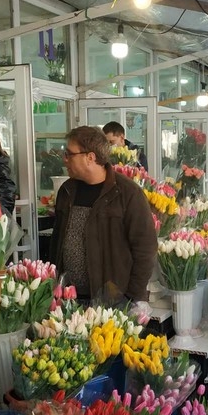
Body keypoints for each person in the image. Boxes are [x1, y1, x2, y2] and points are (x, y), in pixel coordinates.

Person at [49, 126, 157, 303]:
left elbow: (145, 249)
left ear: (90, 157)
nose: (64, 159)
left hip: (112, 302)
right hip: (68, 299)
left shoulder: (127, 193)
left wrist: (133, 296)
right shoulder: (66, 191)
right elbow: (57, 242)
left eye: (69, 154)